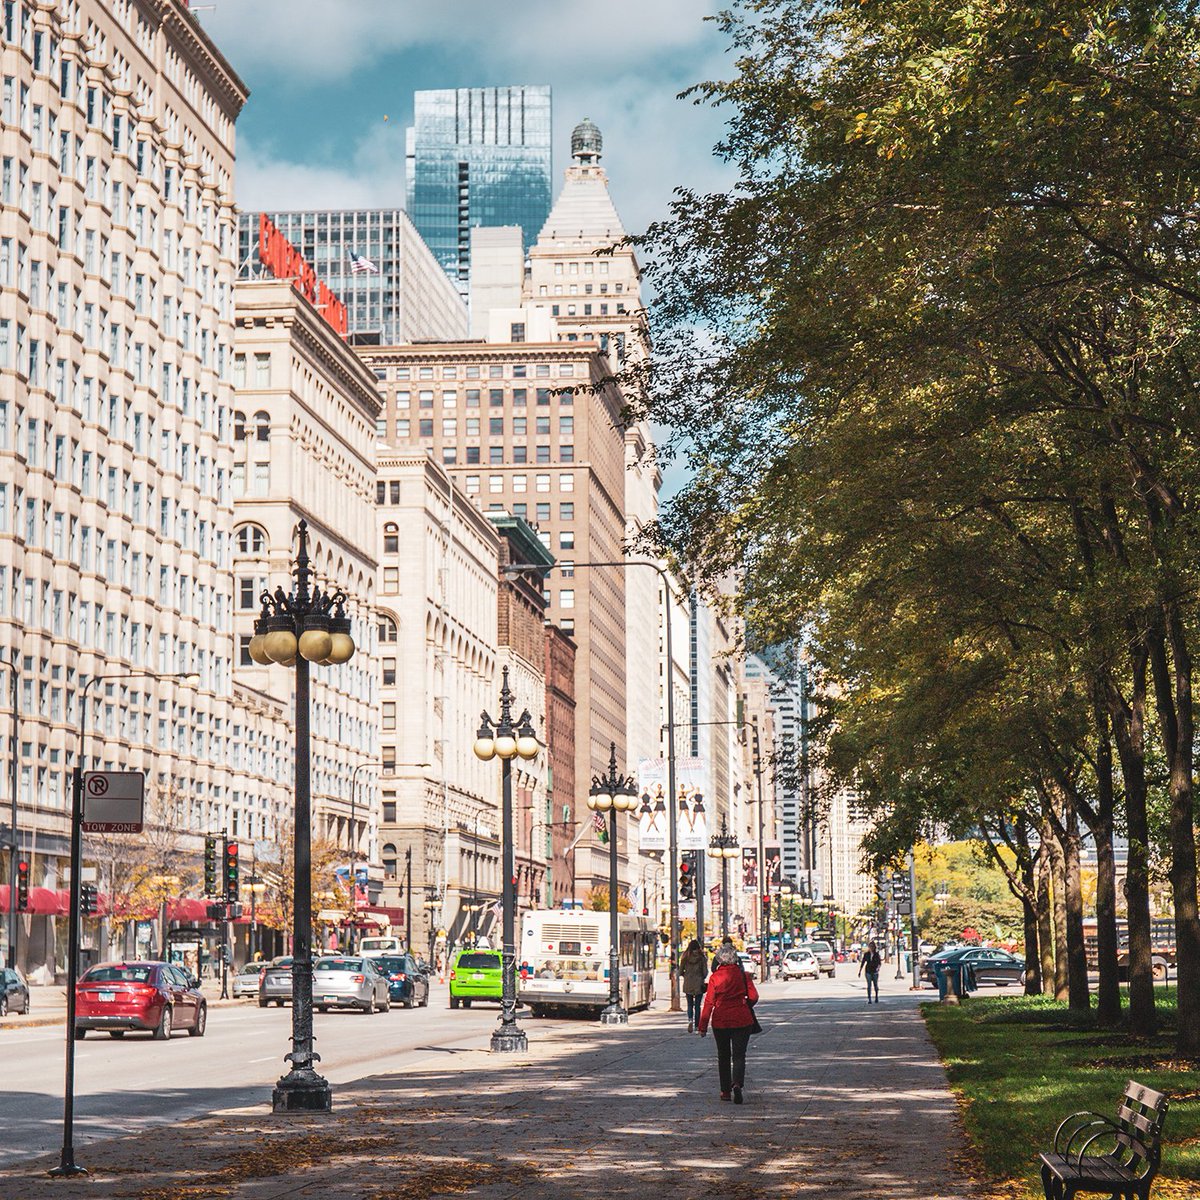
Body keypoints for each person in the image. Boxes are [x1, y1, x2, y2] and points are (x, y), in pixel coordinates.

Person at [698, 942, 759, 1104]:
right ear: (735, 959)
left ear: (719, 960)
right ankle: (737, 1083)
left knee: (723, 1056)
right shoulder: (743, 976)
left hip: (721, 1021)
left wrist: (702, 1026)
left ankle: (725, 1091)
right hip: (742, 1018)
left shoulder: (715, 978)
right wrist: (744, 1005)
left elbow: (709, 1002)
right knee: (739, 1055)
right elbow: (753, 996)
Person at [680, 939, 708, 1033]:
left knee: (689, 1004)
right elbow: (705, 972)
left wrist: (686, 975)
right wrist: (701, 977)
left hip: (688, 983)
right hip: (699, 984)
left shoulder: (685, 957)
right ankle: (697, 1026)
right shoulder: (701, 957)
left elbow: (680, 971)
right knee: (697, 1006)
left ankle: (690, 1020)